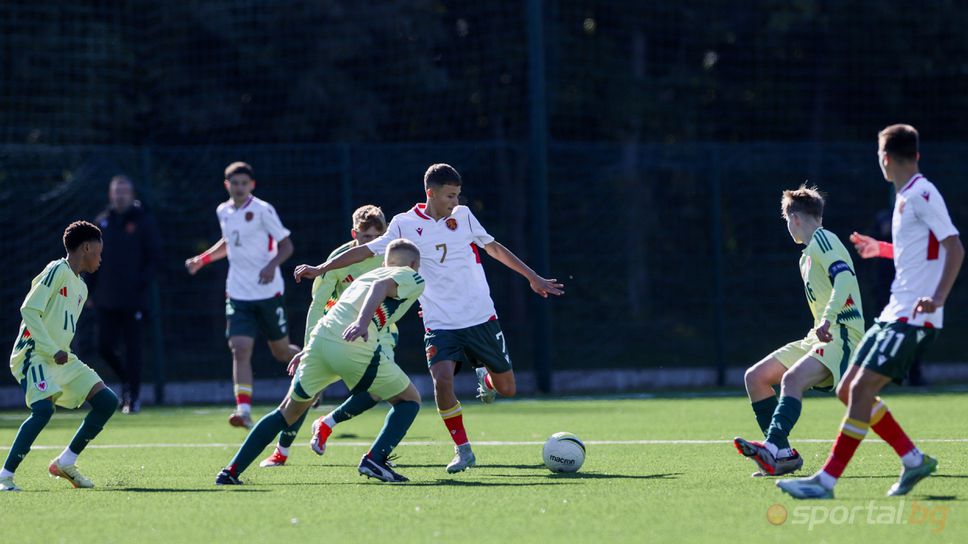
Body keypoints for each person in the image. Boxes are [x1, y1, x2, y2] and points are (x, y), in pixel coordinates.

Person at [294, 164, 564, 473]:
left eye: (457, 195)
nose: (455, 201)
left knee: (508, 389)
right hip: (439, 322)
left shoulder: (462, 216)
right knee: (442, 382)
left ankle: (485, 379)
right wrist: (320, 268)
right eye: (450, 195)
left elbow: (494, 248)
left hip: (479, 315)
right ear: (431, 193)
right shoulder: (403, 223)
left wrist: (532, 277)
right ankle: (463, 450)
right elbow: (365, 251)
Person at [778, 124, 964, 499]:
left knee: (860, 389)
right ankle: (913, 460)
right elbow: (918, 255)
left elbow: (955, 248)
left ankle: (825, 482)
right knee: (847, 389)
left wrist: (939, 298)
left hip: (913, 317)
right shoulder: (905, 198)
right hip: (893, 313)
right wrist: (882, 249)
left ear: (885, 158)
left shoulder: (922, 194)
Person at [216, 239, 426, 484]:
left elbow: (334, 308)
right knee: (409, 400)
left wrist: (307, 350)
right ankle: (375, 459)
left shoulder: (365, 277)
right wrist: (361, 321)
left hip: (321, 339)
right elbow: (382, 286)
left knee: (286, 413)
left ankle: (230, 472)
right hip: (353, 343)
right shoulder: (410, 275)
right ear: (414, 263)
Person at [733, 186, 865, 476]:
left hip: (841, 333)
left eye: (786, 220)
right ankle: (783, 455)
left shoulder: (824, 239)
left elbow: (844, 278)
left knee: (792, 379)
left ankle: (772, 447)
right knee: (756, 378)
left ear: (793, 219)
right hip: (818, 335)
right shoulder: (805, 257)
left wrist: (828, 319)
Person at [259, 204, 390, 467]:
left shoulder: (391, 254)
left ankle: (336, 428)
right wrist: (308, 348)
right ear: (354, 234)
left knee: (384, 389)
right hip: (335, 331)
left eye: (378, 237)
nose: (372, 244)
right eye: (366, 238)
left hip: (380, 330)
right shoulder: (339, 259)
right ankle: (281, 451)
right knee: (303, 392)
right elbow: (318, 305)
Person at [0, 222, 120, 492]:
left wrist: (60, 351)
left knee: (106, 401)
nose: (100, 258)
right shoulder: (57, 269)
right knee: (43, 410)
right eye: (99, 252)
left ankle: (65, 462)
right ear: (86, 247)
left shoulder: (82, 287)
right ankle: (4, 477)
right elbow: (29, 310)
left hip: (61, 357)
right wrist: (52, 348)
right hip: (33, 353)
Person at [185, 162, 300, 429]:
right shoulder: (223, 211)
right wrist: (202, 260)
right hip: (238, 293)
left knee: (282, 352)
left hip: (268, 292)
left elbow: (286, 245)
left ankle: (312, 373)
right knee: (239, 348)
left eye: (243, 183)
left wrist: (271, 265)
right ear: (227, 186)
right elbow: (228, 242)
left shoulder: (262, 210)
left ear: (251, 185)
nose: (239, 187)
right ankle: (244, 410)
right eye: (234, 183)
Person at [88, 175, 163, 414]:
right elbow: (90, 259)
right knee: (103, 347)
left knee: (133, 350)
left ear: (132, 195)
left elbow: (155, 258)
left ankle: (134, 397)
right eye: (116, 192)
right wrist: (88, 291)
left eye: (124, 192)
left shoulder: (144, 221)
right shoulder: (102, 222)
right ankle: (126, 382)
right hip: (105, 298)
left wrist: (140, 282)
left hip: (134, 300)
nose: (120, 196)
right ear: (111, 195)